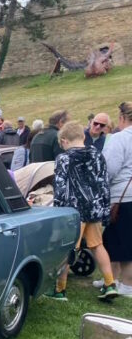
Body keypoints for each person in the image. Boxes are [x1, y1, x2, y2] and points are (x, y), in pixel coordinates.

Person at [44, 120, 116, 301]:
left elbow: (60, 187)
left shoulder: (64, 159)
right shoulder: (97, 155)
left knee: (68, 249)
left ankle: (59, 290)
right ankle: (110, 284)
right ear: (83, 136)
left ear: (64, 141)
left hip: (73, 211)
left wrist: (58, 212)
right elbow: (104, 184)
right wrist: (105, 209)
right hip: (95, 208)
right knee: (97, 246)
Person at [98, 101, 132, 296]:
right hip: (126, 195)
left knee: (123, 243)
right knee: (115, 239)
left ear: (122, 118)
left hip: (122, 196)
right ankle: (112, 278)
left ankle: (126, 285)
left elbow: (109, 168)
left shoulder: (120, 138)